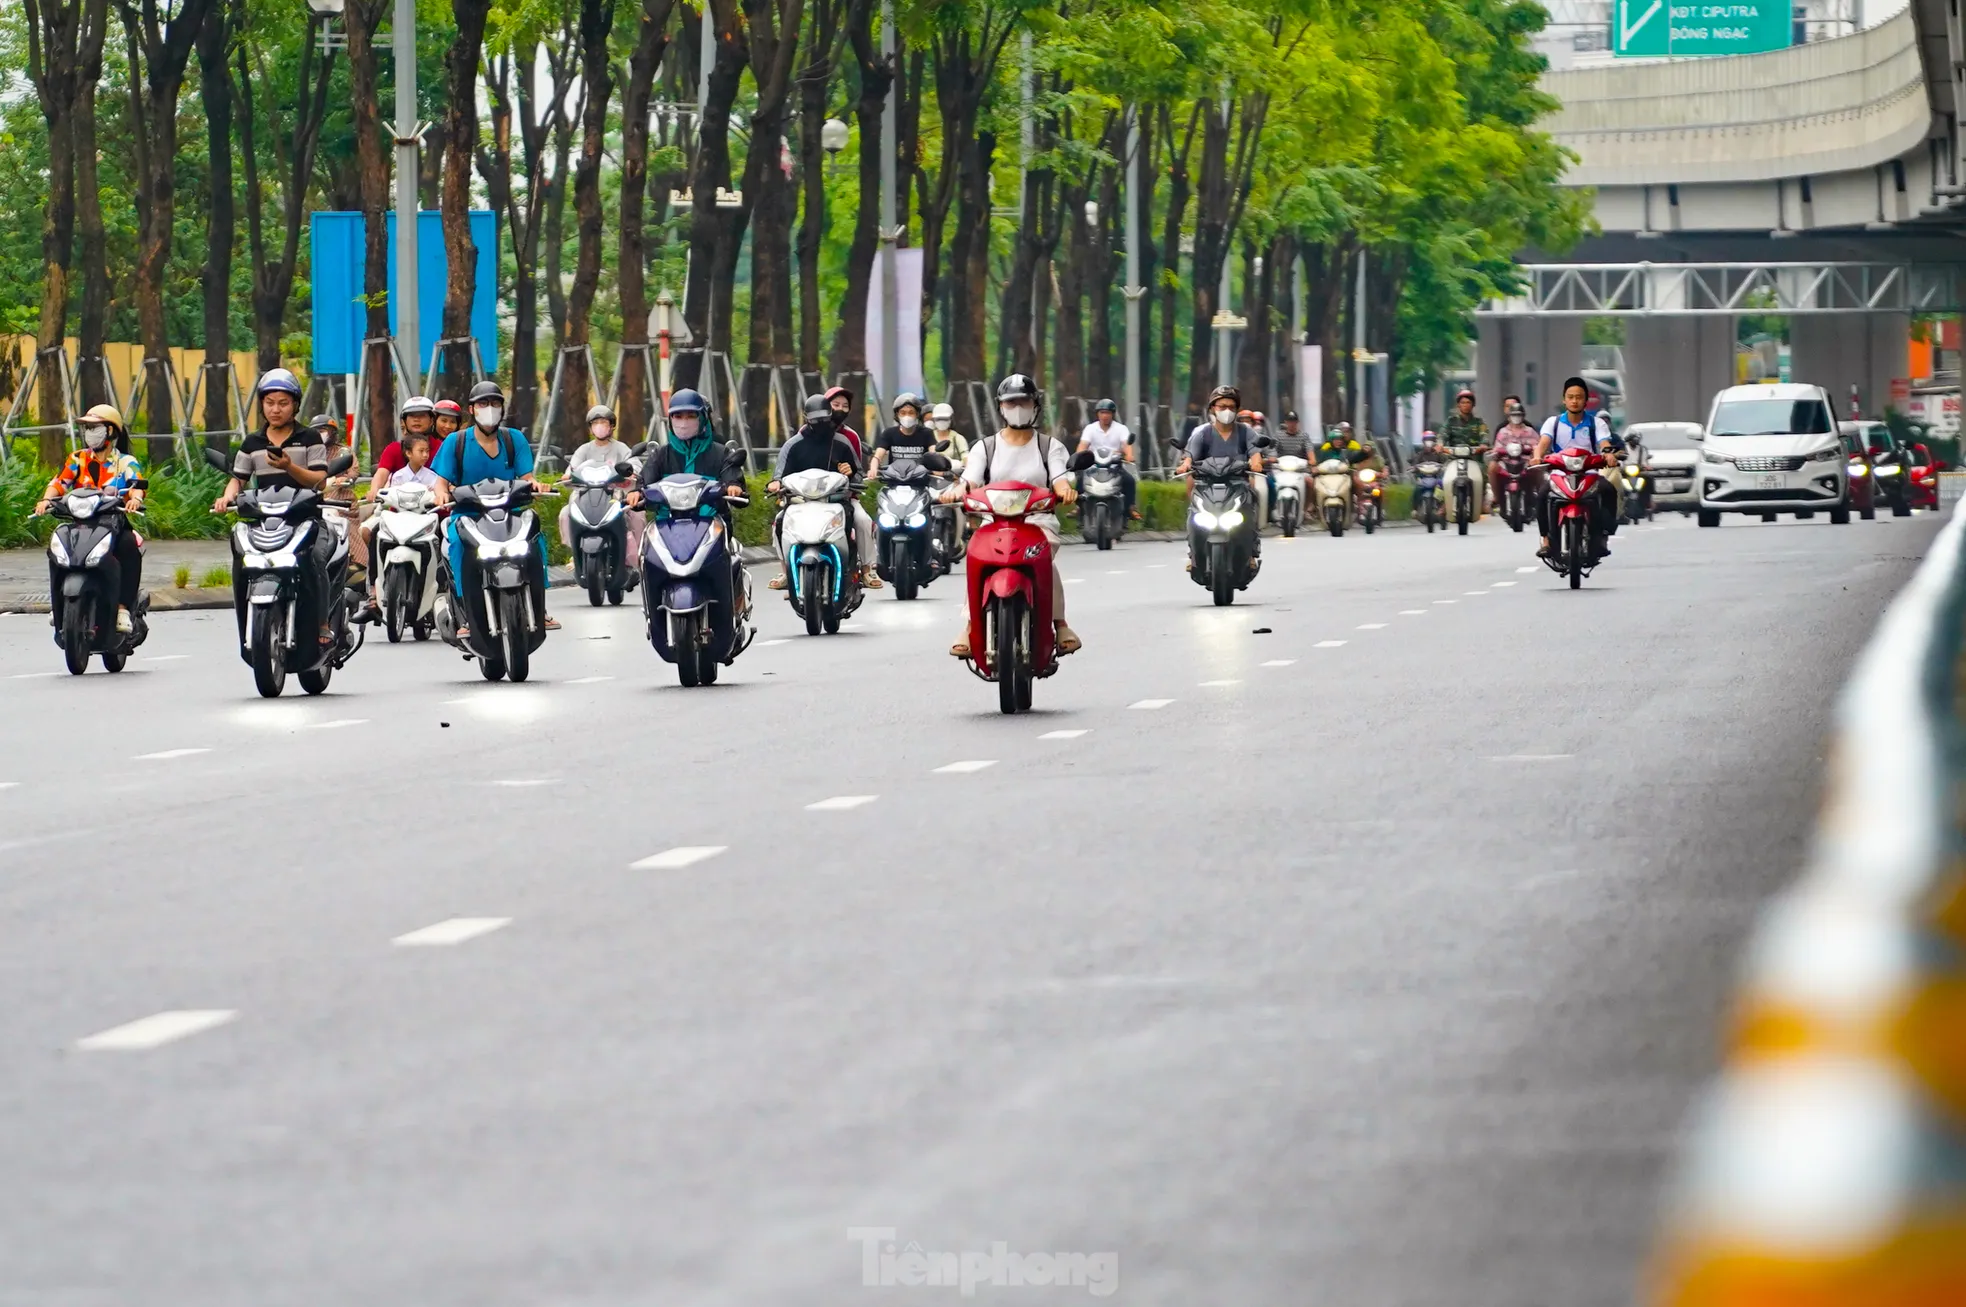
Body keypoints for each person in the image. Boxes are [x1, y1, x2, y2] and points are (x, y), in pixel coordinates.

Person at [943, 373, 1080, 657]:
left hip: (1038, 522)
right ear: (1001, 407)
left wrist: (1065, 489)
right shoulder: (986, 447)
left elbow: (1060, 477)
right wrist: (956, 492)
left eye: (1024, 401)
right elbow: (970, 479)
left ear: (1035, 405)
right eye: (1011, 402)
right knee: (977, 560)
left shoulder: (1048, 446)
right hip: (994, 524)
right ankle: (970, 625)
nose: (1018, 407)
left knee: (1040, 557)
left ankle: (1060, 624)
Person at [213, 368, 337, 647]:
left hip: (304, 519)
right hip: (264, 520)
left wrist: (289, 467)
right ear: (262, 404)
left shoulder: (309, 438)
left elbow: (318, 480)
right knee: (240, 556)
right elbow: (238, 479)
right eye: (270, 403)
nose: (275, 409)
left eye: (282, 403)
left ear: (295, 405)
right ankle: (247, 618)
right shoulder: (252, 443)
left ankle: (322, 622)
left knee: (315, 560)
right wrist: (227, 497)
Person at [431, 378, 559, 632]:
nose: (489, 408)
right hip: (467, 515)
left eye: (494, 403)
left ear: (502, 408)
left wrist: (536, 485)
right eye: (482, 403)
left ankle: (539, 607)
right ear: (471, 409)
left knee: (533, 537)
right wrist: (441, 495)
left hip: (508, 513)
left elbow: (527, 478)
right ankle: (466, 611)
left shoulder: (514, 440)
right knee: (457, 545)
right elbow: (440, 483)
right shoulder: (455, 442)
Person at [33, 403, 146, 634]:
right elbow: (59, 483)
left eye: (95, 427)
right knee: (56, 549)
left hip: (113, 522)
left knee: (128, 547)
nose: (89, 433)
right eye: (87, 428)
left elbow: (137, 484)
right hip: (80, 523)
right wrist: (46, 500)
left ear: (111, 431)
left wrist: (135, 498)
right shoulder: (77, 459)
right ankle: (58, 604)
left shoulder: (124, 461)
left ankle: (123, 607)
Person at [634, 389, 750, 615]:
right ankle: (651, 612)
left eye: (690, 416)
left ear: (703, 418)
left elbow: (733, 479)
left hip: (711, 525)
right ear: (670, 421)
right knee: (646, 560)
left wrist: (733, 486)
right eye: (678, 416)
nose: (683, 422)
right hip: (667, 526)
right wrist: (637, 493)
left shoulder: (721, 453)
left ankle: (732, 608)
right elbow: (644, 482)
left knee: (730, 560)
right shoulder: (661, 455)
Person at [768, 392, 879, 590]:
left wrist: (851, 472)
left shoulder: (843, 442)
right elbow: (779, 475)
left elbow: (858, 474)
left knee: (862, 520)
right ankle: (786, 570)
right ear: (806, 419)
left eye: (824, 419)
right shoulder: (793, 445)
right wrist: (775, 484)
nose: (820, 424)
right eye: (815, 420)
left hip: (837, 499)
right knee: (779, 522)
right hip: (801, 501)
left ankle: (867, 568)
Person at [1534, 376, 1618, 558]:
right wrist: (1537, 456)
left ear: (1586, 401)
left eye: (1579, 397)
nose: (1574, 401)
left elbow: (1604, 443)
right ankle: (1546, 540)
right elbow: (1543, 443)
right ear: (1564, 399)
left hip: (1588, 472)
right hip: (1559, 473)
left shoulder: (1597, 423)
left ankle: (1603, 536)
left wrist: (1608, 454)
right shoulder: (1553, 423)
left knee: (1608, 490)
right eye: (1570, 397)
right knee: (1542, 494)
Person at [1178, 384, 1267, 555]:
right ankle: (1194, 552)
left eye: (1231, 407)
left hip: (1237, 483)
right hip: (1207, 484)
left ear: (1237, 409)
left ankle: (1251, 550)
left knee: (1250, 504)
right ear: (1212, 408)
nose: (1227, 411)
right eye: (1222, 406)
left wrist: (1256, 463)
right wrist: (1185, 465)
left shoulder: (1245, 432)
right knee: (1194, 512)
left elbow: (1255, 453)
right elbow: (1189, 456)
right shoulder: (1202, 433)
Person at [559, 403, 645, 564]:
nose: (599, 427)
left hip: (616, 496)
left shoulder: (621, 448)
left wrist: (631, 471)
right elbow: (572, 468)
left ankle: (640, 556)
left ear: (612, 426)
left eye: (604, 423)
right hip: (587, 497)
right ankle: (576, 553)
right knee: (566, 513)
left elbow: (635, 465)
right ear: (590, 427)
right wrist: (567, 475)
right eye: (595, 423)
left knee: (637, 515)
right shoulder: (584, 450)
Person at [1075, 397, 1139, 521]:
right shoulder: (1090, 428)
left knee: (1130, 481)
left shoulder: (1121, 429)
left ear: (1113, 414)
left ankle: (1130, 508)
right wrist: (1079, 455)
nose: (1105, 416)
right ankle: (1078, 507)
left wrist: (1129, 455)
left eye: (1108, 413)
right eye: (1102, 412)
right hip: (1094, 466)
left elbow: (1127, 445)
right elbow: (1083, 445)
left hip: (1114, 466)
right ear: (1097, 414)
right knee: (1081, 478)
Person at [1440, 389, 1489, 523]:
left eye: (1468, 402)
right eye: (1463, 402)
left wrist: (1484, 445)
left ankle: (1481, 500)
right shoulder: (1451, 421)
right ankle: (1443, 502)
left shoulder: (1479, 423)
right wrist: (1439, 445)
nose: (1465, 405)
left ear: (1473, 405)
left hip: (1474, 458)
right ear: (1458, 405)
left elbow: (1484, 436)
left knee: (1483, 473)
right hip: (1453, 458)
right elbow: (1442, 436)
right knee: (1442, 474)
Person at [1488, 399, 1538, 507]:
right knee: (1492, 467)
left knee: (1538, 468)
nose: (1516, 417)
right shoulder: (1503, 431)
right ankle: (1496, 496)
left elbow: (1537, 446)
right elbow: (1497, 447)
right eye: (1514, 415)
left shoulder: (1530, 431)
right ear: (1509, 416)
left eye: (1519, 415)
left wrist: (1534, 452)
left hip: (1525, 462)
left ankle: (1540, 496)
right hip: (1506, 463)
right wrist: (1495, 452)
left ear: (1523, 416)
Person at [872, 392, 935, 472]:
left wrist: (938, 467)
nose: (907, 416)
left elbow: (934, 454)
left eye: (911, 413)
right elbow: (878, 456)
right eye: (903, 413)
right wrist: (873, 468)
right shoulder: (889, 433)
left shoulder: (926, 433)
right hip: (894, 480)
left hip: (920, 480)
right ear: (897, 415)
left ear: (917, 414)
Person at [823, 385, 865, 464]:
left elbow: (857, 471)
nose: (840, 409)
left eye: (845, 406)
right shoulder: (807, 431)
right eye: (836, 405)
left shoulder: (852, 436)